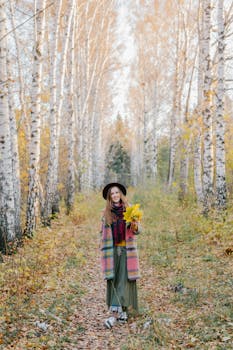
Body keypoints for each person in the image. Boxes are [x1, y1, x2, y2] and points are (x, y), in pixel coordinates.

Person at [100, 182, 140, 329]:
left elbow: (136, 231)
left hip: (126, 250)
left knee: (124, 279)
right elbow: (103, 234)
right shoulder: (106, 214)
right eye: (112, 194)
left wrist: (135, 224)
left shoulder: (129, 211)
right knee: (114, 278)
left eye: (117, 193)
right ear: (110, 197)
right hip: (112, 251)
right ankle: (116, 310)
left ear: (121, 195)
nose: (115, 195)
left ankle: (121, 311)